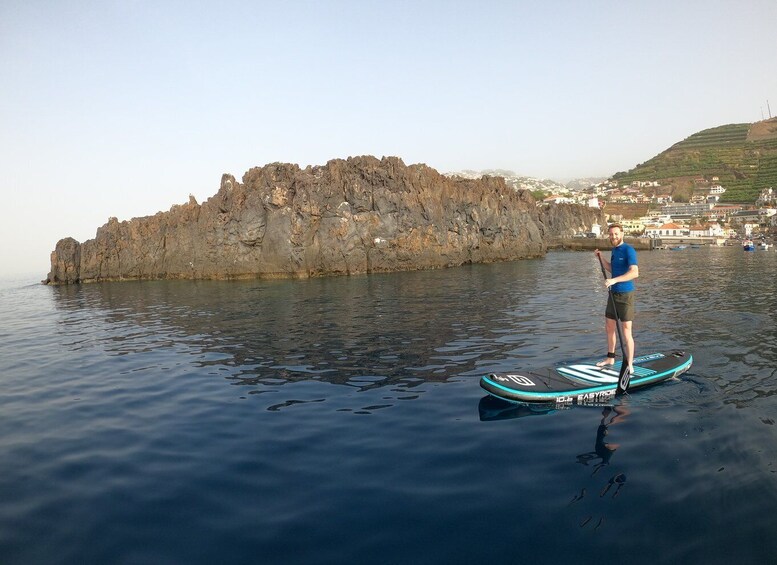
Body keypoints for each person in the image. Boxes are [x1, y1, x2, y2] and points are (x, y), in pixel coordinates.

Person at [594, 224, 639, 373]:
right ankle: (610, 358)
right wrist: (601, 259)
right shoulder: (614, 251)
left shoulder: (628, 250)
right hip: (613, 294)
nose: (613, 236)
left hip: (626, 295)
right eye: (611, 234)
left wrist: (614, 281)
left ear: (622, 234)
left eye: (616, 234)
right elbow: (613, 269)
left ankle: (630, 364)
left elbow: (634, 273)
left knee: (626, 331)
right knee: (609, 328)